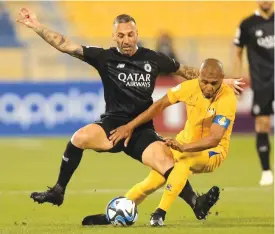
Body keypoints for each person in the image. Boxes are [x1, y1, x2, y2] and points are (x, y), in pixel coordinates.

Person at [16, 8, 242, 221]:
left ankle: (196, 203)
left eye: (130, 34)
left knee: (165, 162)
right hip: (112, 125)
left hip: (141, 129)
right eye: (121, 35)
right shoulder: (104, 57)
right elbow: (66, 45)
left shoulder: (153, 58)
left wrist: (223, 81)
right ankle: (58, 191)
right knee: (79, 138)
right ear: (114, 37)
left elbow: (189, 73)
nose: (126, 40)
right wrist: (36, 25)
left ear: (137, 34)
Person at [109, 58, 237, 226]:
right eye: (204, 82)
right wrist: (130, 126)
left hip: (214, 151)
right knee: (152, 181)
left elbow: (214, 139)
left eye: (214, 83)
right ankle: (114, 214)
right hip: (184, 143)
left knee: (184, 161)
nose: (208, 87)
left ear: (222, 78)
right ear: (198, 77)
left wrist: (184, 147)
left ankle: (159, 213)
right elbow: (159, 106)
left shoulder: (227, 98)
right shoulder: (189, 88)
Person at [233, 1, 274, 186]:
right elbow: (237, 53)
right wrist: (237, 81)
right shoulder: (247, 24)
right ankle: (266, 171)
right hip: (261, 83)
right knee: (262, 123)